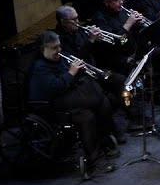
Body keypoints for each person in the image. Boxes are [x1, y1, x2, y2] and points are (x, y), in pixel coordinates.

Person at [29, 31, 121, 173]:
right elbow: (55, 88)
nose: (59, 50)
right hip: (53, 104)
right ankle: (95, 159)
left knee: (104, 103)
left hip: (69, 97)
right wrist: (71, 72)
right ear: (42, 50)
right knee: (86, 117)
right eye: (54, 48)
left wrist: (80, 69)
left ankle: (105, 141)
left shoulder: (60, 58)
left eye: (59, 46)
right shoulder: (39, 68)